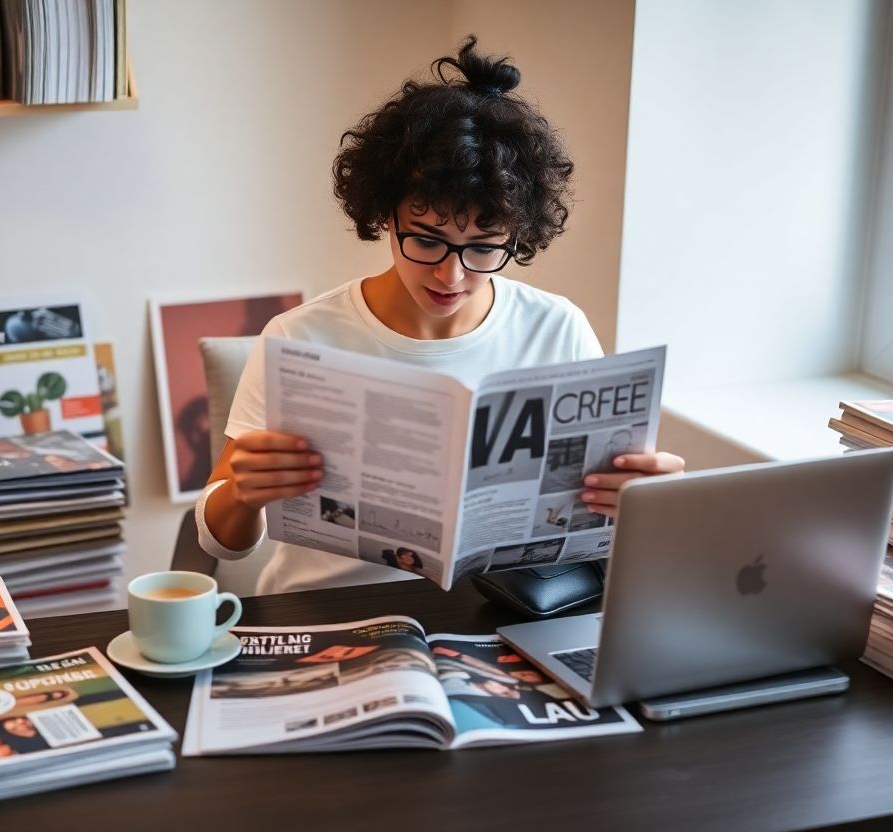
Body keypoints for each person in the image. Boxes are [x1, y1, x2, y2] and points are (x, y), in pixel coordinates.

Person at [196, 36, 685, 596]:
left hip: (497, 617)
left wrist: (644, 500)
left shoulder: (558, 328)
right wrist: (242, 495)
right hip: (325, 614)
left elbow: (603, 525)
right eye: (426, 241)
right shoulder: (300, 336)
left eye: (483, 247)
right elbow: (220, 544)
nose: (450, 276)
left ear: (517, 233)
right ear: (386, 214)